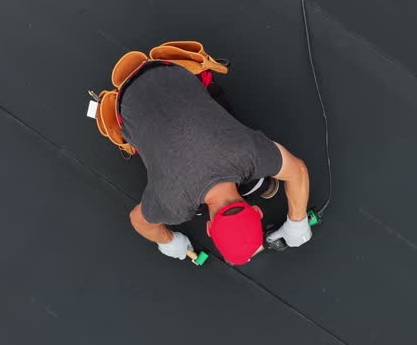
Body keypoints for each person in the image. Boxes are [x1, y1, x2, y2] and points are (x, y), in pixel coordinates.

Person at [121, 61, 312, 265]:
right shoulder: (173, 206)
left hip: (172, 71)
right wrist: (168, 240)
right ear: (209, 229)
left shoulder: (250, 153)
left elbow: (298, 170)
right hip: (127, 101)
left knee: (259, 180)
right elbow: (139, 220)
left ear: (257, 211)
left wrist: (298, 221)